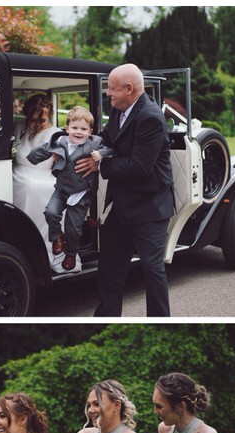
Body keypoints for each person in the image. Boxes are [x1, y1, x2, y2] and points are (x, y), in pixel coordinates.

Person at [76, 63, 175, 317]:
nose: (108, 93)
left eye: (112, 89)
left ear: (129, 89)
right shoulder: (119, 110)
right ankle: (106, 321)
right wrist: (79, 145)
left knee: (152, 270)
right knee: (109, 268)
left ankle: (160, 324)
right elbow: (109, 141)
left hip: (149, 206)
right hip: (121, 207)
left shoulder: (150, 117)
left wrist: (102, 165)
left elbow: (140, 166)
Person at [28, 106, 113, 273]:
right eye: (74, 128)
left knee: (73, 228)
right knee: (50, 213)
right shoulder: (61, 141)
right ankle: (57, 237)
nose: (79, 132)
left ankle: (71, 254)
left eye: (83, 129)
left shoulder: (94, 143)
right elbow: (43, 150)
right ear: (67, 129)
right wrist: (30, 157)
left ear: (90, 131)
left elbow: (111, 150)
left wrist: (101, 155)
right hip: (62, 189)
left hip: (81, 193)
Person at [12, 93, 63, 271]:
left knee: (31, 188)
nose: (36, 123)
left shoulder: (55, 134)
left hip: (42, 177)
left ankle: (38, 249)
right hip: (18, 172)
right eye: (32, 119)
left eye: (41, 119)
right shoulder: (21, 127)